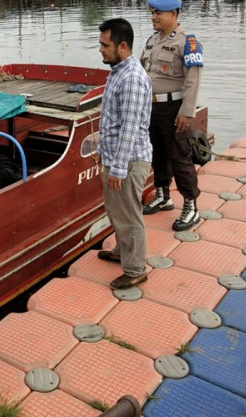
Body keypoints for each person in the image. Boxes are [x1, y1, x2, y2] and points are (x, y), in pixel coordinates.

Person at [97, 18, 153, 290]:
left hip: (128, 160)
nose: (101, 50)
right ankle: (122, 251)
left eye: (105, 45)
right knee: (116, 209)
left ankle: (135, 269)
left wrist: (118, 169)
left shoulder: (130, 78)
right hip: (116, 157)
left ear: (122, 45)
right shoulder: (118, 70)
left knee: (129, 215)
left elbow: (129, 129)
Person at [140, 0, 204, 231]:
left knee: (180, 157)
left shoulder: (187, 41)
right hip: (152, 107)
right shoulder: (152, 40)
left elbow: (193, 80)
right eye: (152, 12)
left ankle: (191, 205)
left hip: (174, 109)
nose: (153, 17)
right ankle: (163, 194)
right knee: (157, 153)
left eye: (158, 13)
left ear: (173, 14)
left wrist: (187, 112)